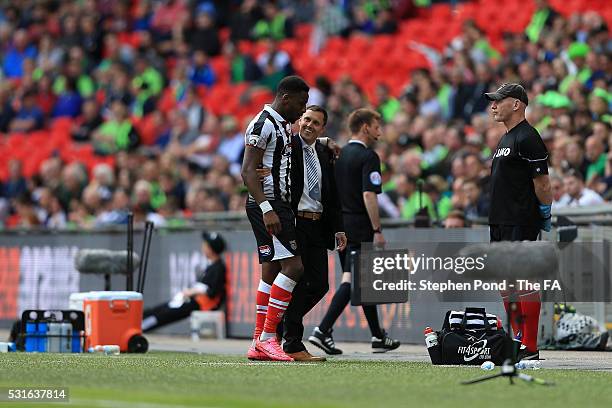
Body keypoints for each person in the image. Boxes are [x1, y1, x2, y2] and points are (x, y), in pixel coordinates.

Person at [308, 108, 400, 355]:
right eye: (377, 125)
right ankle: (322, 329)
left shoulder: (338, 154)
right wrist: (377, 228)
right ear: (365, 127)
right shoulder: (369, 157)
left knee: (362, 281)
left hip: (340, 227)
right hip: (359, 227)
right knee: (353, 279)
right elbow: (369, 194)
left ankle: (378, 336)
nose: (380, 130)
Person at [241, 75, 310, 361]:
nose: (302, 110)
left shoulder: (281, 124)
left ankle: (258, 340)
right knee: (294, 268)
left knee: (270, 271)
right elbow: (247, 171)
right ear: (285, 98)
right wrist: (267, 208)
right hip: (269, 205)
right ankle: (270, 337)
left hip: (273, 204)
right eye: (301, 104)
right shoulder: (263, 124)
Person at [484, 83, 553, 361]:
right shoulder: (505, 139)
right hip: (500, 221)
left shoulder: (528, 137)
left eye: (498, 101)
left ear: (516, 104)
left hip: (520, 220)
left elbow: (543, 182)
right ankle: (517, 340)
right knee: (505, 283)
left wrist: (545, 211)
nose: (493, 106)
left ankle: (530, 346)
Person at [282, 106, 347, 361]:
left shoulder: (324, 151)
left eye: (316, 123)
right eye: (306, 119)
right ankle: (292, 342)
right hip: (295, 223)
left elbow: (332, 193)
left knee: (320, 285)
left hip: (318, 225)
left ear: (322, 128)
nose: (309, 125)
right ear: (299, 120)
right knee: (297, 284)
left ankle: (282, 324)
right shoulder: (289, 147)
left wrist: (339, 228)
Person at [141, 231, 226, 332]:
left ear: (211, 249)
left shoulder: (219, 267)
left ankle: (141, 328)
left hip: (202, 304)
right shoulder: (212, 266)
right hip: (194, 301)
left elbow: (213, 292)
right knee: (159, 309)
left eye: (205, 245)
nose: (203, 247)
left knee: (165, 314)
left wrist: (194, 291)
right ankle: (137, 321)